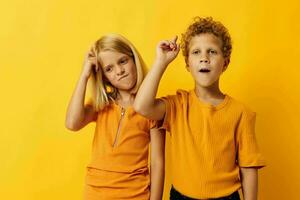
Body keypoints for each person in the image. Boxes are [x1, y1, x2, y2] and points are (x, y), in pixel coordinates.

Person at [134, 17, 265, 200]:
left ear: (225, 63)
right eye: (196, 52)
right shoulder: (178, 105)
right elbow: (142, 106)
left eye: (212, 51)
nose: (204, 58)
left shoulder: (241, 112)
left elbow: (248, 168)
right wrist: (161, 62)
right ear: (188, 64)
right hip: (181, 197)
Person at [65, 34, 165, 200]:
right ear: (104, 77)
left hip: (134, 195)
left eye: (123, 61)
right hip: (94, 194)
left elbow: (157, 164)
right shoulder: (100, 104)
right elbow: (71, 123)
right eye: (109, 69)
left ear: (134, 60)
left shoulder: (152, 109)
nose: (119, 71)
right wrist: (84, 76)